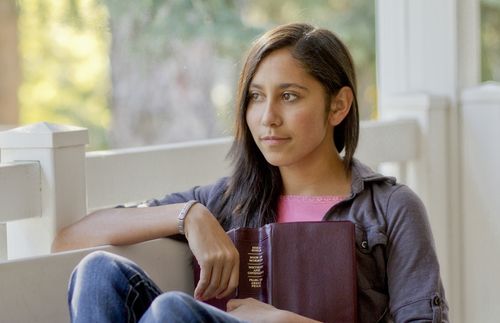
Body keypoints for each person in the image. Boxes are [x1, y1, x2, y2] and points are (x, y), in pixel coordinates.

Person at [53, 23, 449, 323]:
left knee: (172, 312)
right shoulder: (229, 200)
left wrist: (285, 320)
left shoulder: (391, 209)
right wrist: (189, 215)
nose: (268, 117)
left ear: (338, 106)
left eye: (289, 96)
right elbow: (71, 239)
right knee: (98, 271)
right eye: (256, 97)